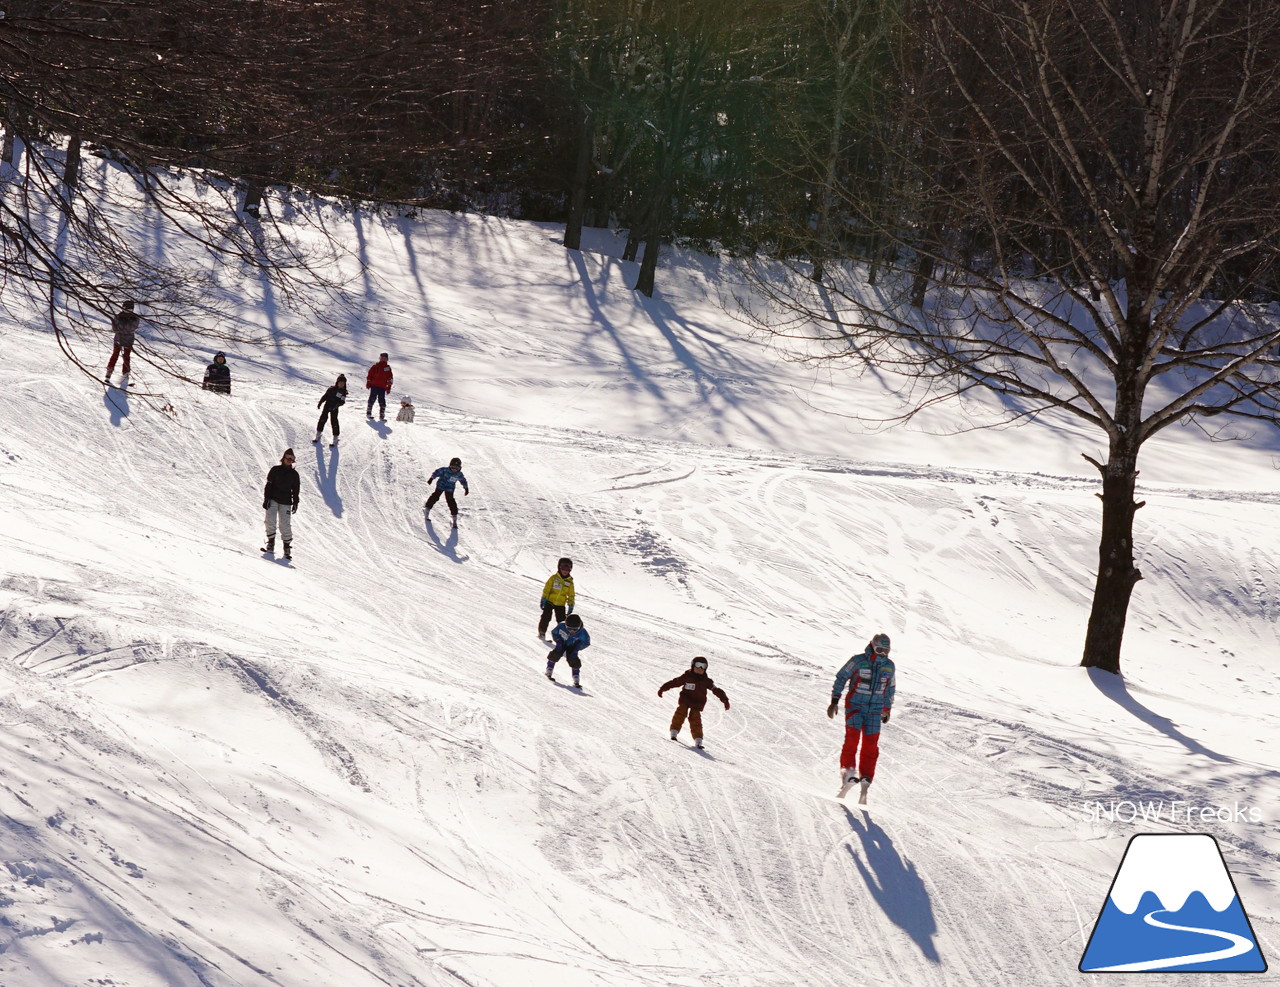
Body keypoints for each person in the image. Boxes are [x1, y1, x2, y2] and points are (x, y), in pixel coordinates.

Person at [827, 632, 896, 801]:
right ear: (872, 646)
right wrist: (834, 700)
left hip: (875, 710)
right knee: (852, 739)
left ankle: (866, 777)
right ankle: (849, 775)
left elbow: (889, 688)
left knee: (871, 745)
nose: (882, 654)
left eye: (886, 651)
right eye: (879, 649)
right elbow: (841, 677)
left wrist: (887, 709)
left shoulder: (889, 666)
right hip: (855, 707)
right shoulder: (858, 661)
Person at [658, 656, 730, 749]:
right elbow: (674, 682)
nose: (700, 668)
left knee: (695, 719)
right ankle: (674, 731)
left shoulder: (706, 681)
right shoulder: (686, 677)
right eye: (698, 665)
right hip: (685, 700)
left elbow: (716, 690)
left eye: (703, 666)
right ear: (692, 666)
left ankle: (698, 740)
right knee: (681, 712)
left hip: (697, 703)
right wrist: (663, 688)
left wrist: (725, 699)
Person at [261, 448, 300, 559]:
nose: (289, 460)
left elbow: (296, 490)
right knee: (270, 520)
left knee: (285, 524)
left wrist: (295, 502)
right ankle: (271, 543)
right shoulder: (275, 470)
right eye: (287, 457)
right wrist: (266, 498)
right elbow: (269, 485)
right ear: (283, 458)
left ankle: (287, 548)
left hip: (286, 502)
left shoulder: (294, 474)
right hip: (273, 499)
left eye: (291, 459)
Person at [546, 613, 590, 688]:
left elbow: (586, 642)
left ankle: (576, 677)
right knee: (556, 653)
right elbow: (554, 632)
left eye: (575, 629)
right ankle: (549, 668)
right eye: (569, 628)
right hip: (562, 642)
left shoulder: (582, 632)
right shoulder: (561, 626)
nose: (572, 631)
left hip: (573, 646)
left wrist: (577, 647)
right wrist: (558, 641)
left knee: (573, 658)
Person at [538, 557, 575, 640]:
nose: (565, 571)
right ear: (559, 568)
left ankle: (562, 638)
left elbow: (571, 594)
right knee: (546, 617)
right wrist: (544, 599)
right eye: (563, 568)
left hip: (560, 604)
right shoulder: (554, 578)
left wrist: (571, 604)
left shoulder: (569, 582)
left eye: (567, 569)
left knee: (562, 621)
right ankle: (542, 632)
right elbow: (547, 589)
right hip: (550, 601)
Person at [424, 456, 468, 523]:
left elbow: (463, 481)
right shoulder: (445, 470)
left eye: (456, 468)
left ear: (459, 468)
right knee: (435, 496)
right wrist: (431, 478)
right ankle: (427, 508)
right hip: (440, 485)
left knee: (450, 501)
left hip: (450, 489)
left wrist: (466, 488)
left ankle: (454, 515)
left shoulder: (459, 474)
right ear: (450, 466)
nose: (454, 469)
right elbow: (437, 472)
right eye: (452, 467)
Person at [105, 300, 138, 376]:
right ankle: (110, 369)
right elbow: (114, 328)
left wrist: (123, 326)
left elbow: (133, 327)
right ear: (123, 308)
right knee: (115, 354)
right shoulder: (118, 316)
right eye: (126, 309)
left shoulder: (135, 318)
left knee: (126, 356)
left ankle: (126, 372)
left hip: (128, 339)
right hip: (118, 338)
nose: (127, 311)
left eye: (129, 310)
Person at [314, 374, 348, 447]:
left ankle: (335, 437)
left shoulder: (343, 392)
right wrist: (320, 402)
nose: (341, 384)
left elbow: (342, 402)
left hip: (334, 408)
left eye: (343, 383)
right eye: (340, 382)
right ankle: (318, 433)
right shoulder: (331, 389)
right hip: (327, 405)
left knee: (334, 421)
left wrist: (336, 406)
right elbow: (325, 396)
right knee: (322, 418)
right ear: (337, 382)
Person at [365, 352, 393, 420]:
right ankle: (368, 413)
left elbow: (390, 378)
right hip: (374, 385)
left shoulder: (388, 368)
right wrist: (368, 382)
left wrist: (388, 387)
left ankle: (382, 415)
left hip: (382, 387)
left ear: (387, 359)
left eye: (385, 358)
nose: (383, 359)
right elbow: (370, 375)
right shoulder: (375, 366)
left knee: (382, 401)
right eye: (382, 358)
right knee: (372, 398)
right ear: (380, 358)